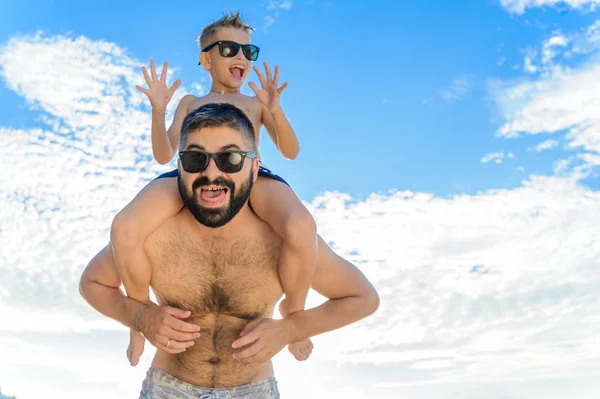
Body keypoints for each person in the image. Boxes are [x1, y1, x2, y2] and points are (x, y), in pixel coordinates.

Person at [79, 103, 379, 398]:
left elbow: (363, 298)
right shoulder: (154, 233)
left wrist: (291, 329)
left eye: (231, 158)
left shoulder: (283, 239)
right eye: (196, 159)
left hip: (254, 390)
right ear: (180, 166)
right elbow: (93, 283)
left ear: (255, 166)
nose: (212, 174)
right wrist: (140, 316)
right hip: (168, 388)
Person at [110, 11, 318, 367]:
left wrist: (275, 110)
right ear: (206, 59)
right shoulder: (190, 102)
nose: (241, 57)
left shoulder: (255, 104)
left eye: (248, 52)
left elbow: (291, 151)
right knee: (125, 227)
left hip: (249, 175)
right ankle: (139, 316)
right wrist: (158, 111)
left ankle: (295, 310)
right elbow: (164, 155)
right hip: (192, 173)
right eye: (229, 49)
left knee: (301, 227)